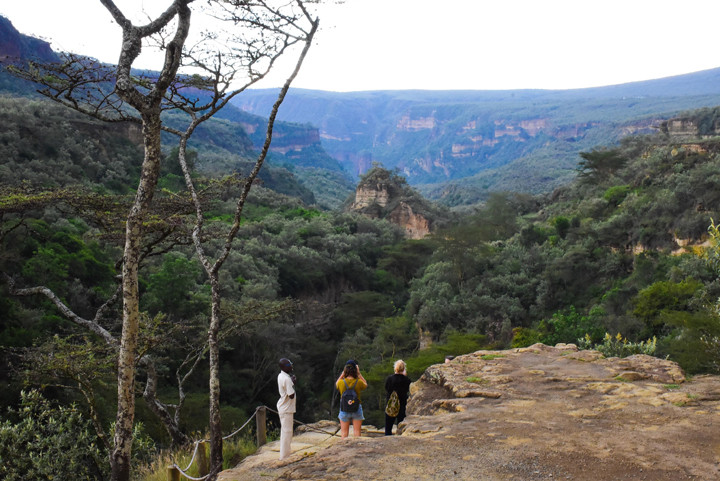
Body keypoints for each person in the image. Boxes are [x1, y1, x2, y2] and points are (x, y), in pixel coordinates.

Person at [336, 359, 367, 438]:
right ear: (355, 370)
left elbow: (336, 384)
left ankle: (344, 449)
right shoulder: (358, 382)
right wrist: (359, 374)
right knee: (357, 433)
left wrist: (342, 374)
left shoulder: (341, 382)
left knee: (344, 433)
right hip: (356, 408)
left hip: (344, 408)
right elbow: (365, 384)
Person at [384, 359, 412, 435]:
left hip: (391, 404)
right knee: (400, 425)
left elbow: (386, 388)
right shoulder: (407, 380)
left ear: (395, 368)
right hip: (402, 404)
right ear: (404, 369)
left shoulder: (390, 379)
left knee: (388, 426)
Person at [277, 358, 296, 460]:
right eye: (289, 365)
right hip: (287, 409)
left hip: (284, 408)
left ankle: (285, 454)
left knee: (286, 432)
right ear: (284, 367)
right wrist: (292, 383)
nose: (291, 366)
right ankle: (284, 456)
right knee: (287, 433)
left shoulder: (281, 376)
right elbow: (291, 395)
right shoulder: (287, 379)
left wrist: (291, 383)